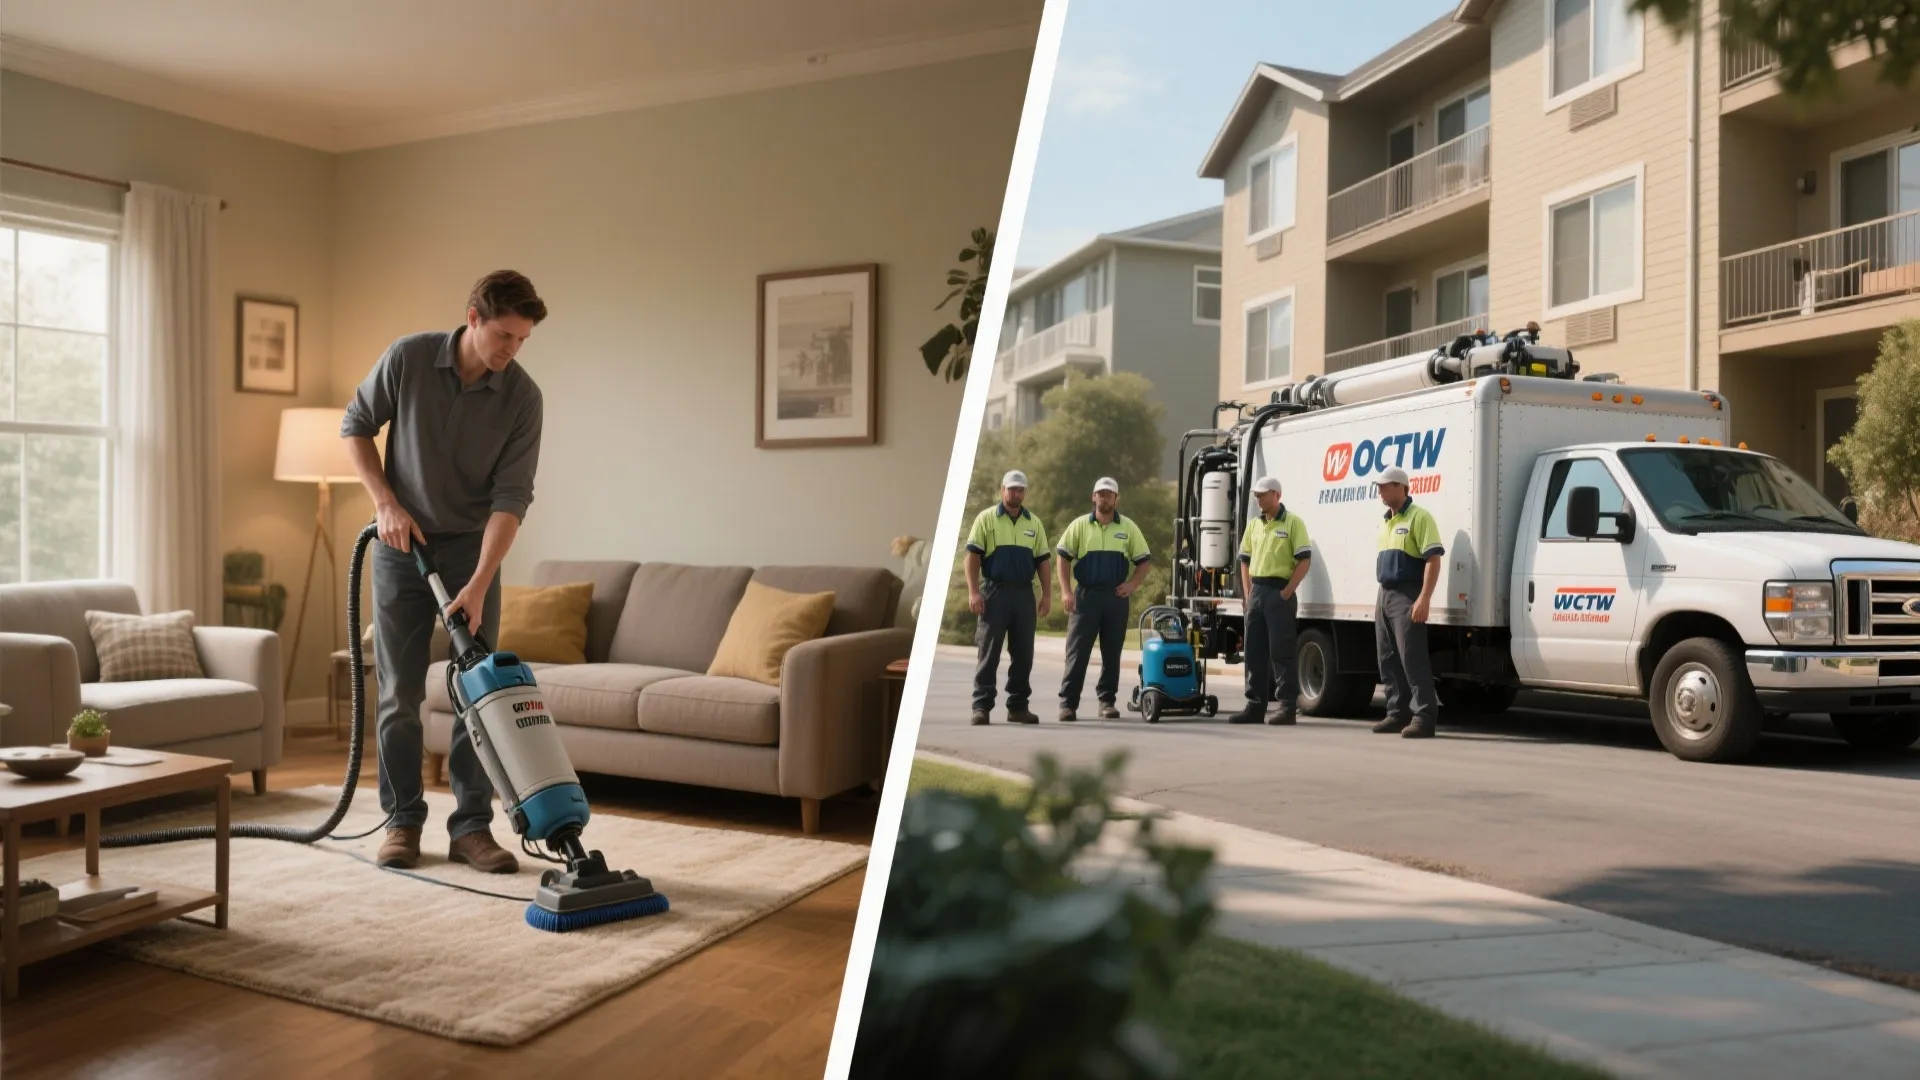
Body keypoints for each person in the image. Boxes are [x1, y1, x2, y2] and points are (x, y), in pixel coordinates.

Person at [342, 270, 548, 872]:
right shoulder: (408, 358)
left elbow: (512, 499)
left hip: (471, 551)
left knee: (477, 696)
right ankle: (402, 822)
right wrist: (385, 503)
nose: (511, 350)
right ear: (474, 318)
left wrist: (481, 582)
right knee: (399, 691)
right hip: (400, 545)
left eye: (522, 340)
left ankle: (472, 829)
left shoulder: (522, 397)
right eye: (505, 334)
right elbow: (355, 425)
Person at [1055, 476, 1152, 721]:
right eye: (1101, 493)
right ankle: (1068, 704)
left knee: (1112, 653)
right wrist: (1066, 591)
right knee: (1077, 652)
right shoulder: (1079, 525)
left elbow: (1143, 561)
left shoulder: (1128, 527)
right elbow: (1063, 557)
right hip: (1085, 597)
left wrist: (1132, 585)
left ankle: (1107, 701)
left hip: (1115, 598)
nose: (1104, 497)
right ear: (1093, 496)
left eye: (1109, 494)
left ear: (1116, 499)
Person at [964, 471, 1054, 725]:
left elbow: (1043, 562)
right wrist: (973, 591)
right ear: (1002, 490)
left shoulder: (1033, 522)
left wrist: (1046, 594)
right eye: (1012, 489)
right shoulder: (986, 519)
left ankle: (1018, 707)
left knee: (1024, 653)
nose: (1016, 494)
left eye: (1020, 490)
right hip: (994, 592)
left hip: (1024, 593)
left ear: (1024, 492)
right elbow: (972, 558)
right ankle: (981, 706)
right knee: (989, 651)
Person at [1229, 477, 1313, 726]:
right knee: (1254, 652)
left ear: (1277, 494)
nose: (1258, 498)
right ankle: (1255, 706)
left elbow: (1304, 560)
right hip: (1257, 592)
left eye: (1263, 494)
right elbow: (1244, 559)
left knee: (1282, 651)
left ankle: (1287, 707)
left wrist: (1287, 591)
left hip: (1279, 592)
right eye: (1256, 495)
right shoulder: (1254, 525)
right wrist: (1247, 592)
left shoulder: (1293, 523)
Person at [1371, 467, 1444, 739]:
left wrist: (1424, 598)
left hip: (1407, 593)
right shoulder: (1385, 521)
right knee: (1387, 658)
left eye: (1385, 486)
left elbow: (1433, 560)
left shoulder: (1419, 517)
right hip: (1385, 593)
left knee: (1412, 657)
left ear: (1401, 487)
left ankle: (1424, 716)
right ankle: (1396, 712)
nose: (1380, 490)